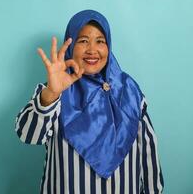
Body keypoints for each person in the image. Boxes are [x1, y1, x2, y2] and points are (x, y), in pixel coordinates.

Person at [15, 10, 164, 194]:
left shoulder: (129, 91)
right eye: (83, 41)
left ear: (108, 46)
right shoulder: (54, 91)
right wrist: (52, 93)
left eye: (100, 41)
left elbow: (148, 155)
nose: (92, 50)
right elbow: (28, 135)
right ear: (70, 46)